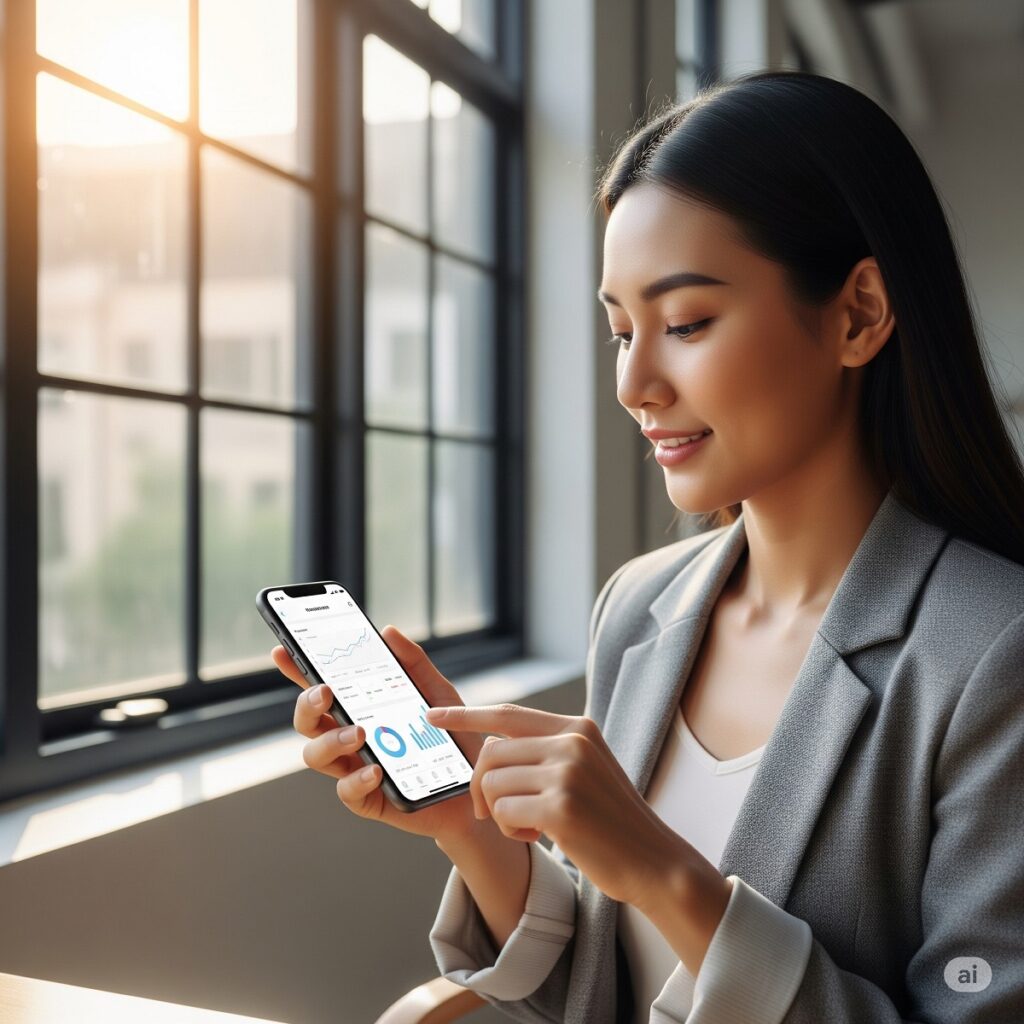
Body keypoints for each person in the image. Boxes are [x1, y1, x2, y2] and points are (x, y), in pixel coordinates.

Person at [274, 70, 1024, 1023]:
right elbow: (607, 991)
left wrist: (667, 875)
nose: (635, 384)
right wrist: (470, 825)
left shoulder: (995, 653)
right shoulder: (638, 606)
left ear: (859, 314)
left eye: (685, 324)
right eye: (621, 331)